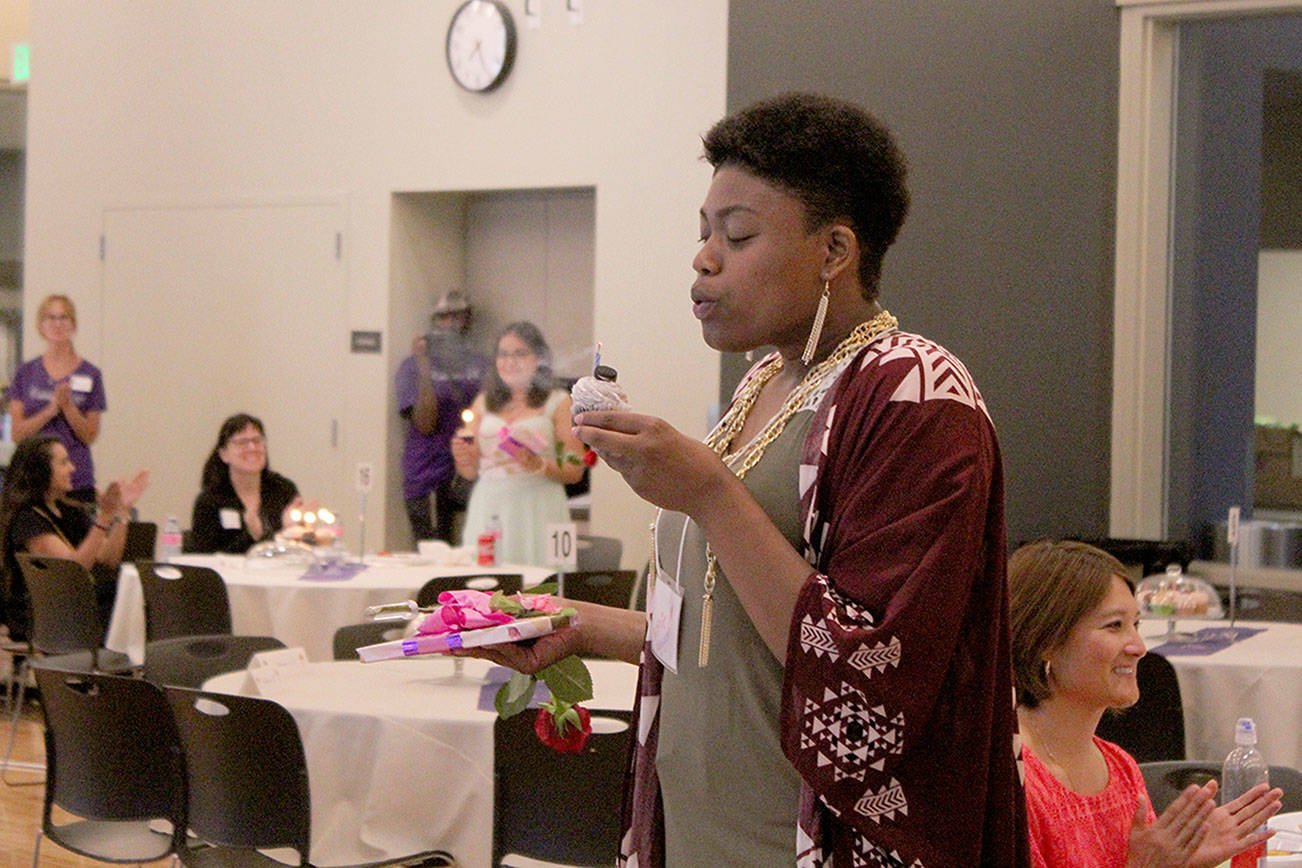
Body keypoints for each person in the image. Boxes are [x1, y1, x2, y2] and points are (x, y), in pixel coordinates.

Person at [462, 93, 1027, 866]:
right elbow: (737, 643)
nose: (704, 258)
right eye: (703, 233)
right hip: (703, 827)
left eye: (737, 235)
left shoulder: (916, 393)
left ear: (834, 252)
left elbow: (871, 679)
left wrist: (708, 493)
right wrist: (581, 626)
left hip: (803, 839)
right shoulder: (763, 381)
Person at [1010, 539, 1282, 868]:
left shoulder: (1120, 769)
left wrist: (1182, 862)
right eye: (1114, 626)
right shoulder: (1012, 777)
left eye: (1136, 624)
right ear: (1045, 641)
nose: (1139, 646)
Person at [451, 322, 585, 566]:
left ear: (538, 359)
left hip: (538, 508)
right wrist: (464, 458)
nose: (510, 362)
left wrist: (538, 464)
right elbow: (471, 472)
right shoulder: (483, 403)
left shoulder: (559, 402)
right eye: (503, 354)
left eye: (520, 353)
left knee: (540, 590)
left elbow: (574, 469)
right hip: (489, 506)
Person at [0, 435, 148, 641]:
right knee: (117, 603)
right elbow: (73, 569)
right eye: (63, 462)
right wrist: (104, 518)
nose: (72, 468)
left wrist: (123, 512)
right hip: (43, 612)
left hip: (73, 604)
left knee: (127, 595)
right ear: (41, 470)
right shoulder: (27, 518)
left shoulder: (69, 510)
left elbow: (109, 557)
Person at [396, 290, 488, 545]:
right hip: (429, 475)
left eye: (458, 316)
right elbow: (425, 424)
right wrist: (424, 366)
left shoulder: (481, 364)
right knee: (436, 553)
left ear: (468, 320)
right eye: (444, 317)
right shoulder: (412, 367)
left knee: (478, 550)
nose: (451, 324)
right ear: (434, 321)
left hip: (472, 473)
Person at [9, 294, 108, 504]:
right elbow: (17, 434)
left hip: (76, 480)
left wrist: (69, 407)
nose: (57, 324)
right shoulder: (25, 373)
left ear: (73, 325)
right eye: (50, 318)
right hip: (34, 481)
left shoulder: (91, 374)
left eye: (64, 318)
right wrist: (51, 410)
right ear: (40, 325)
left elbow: (90, 435)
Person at [190, 413, 302, 554]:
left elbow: (300, 551)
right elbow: (204, 559)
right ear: (224, 454)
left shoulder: (283, 489)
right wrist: (252, 536)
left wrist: (294, 532)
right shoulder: (210, 501)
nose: (252, 448)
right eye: (242, 443)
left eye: (257, 441)